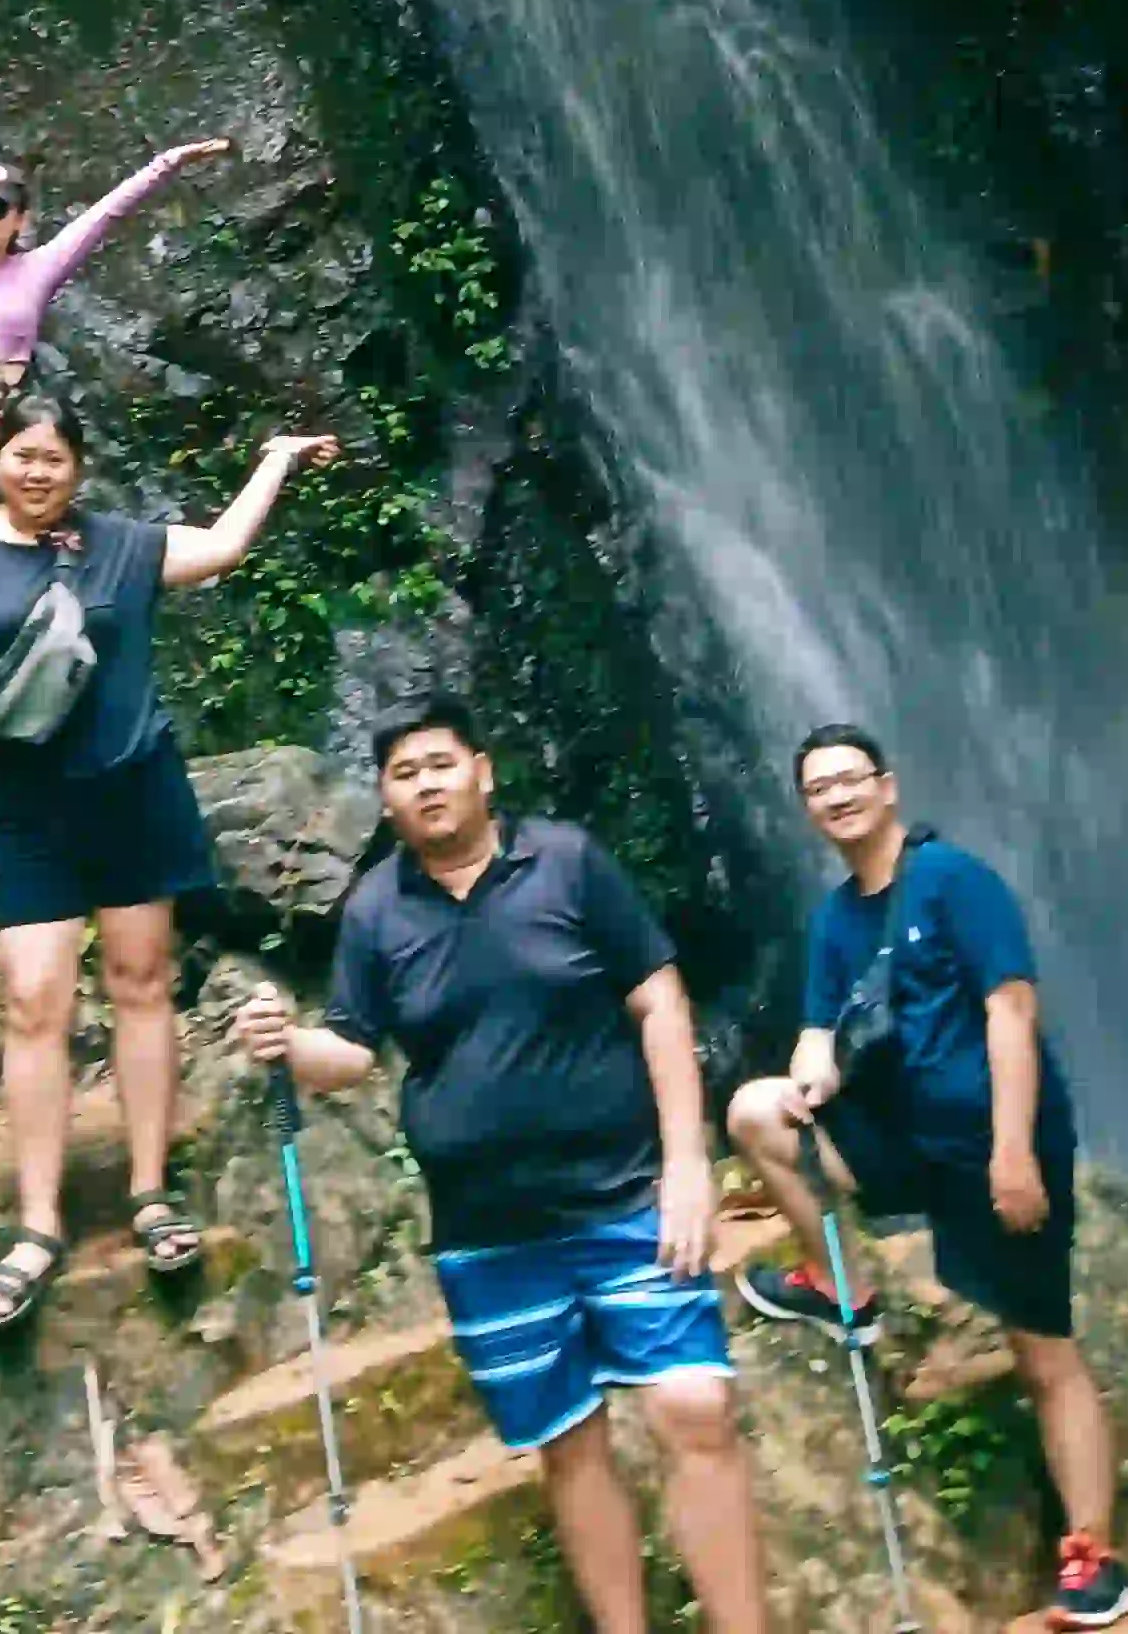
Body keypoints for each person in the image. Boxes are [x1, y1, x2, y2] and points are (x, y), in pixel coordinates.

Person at [232, 699, 767, 1634]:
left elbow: (661, 1002)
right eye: (404, 774)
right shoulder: (375, 910)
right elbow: (352, 1053)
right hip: (487, 1235)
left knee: (696, 1406)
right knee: (567, 1442)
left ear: (482, 771)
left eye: (440, 764)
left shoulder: (568, 862)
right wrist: (287, 1042)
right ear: (386, 799)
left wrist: (689, 1161)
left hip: (623, 1199)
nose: (426, 785)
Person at [0, 381, 338, 1328]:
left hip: (133, 789)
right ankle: (38, 1223)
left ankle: (150, 1193)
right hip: (29, 812)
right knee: (34, 1001)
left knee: (141, 985)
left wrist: (274, 461)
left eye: (54, 459)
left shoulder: (122, 545)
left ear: (79, 469)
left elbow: (223, 547)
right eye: (23, 456)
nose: (37, 472)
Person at [728, 726, 1128, 1630]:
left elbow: (1011, 1013)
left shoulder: (956, 880)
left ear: (887, 786)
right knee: (757, 1111)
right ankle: (843, 1287)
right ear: (807, 809)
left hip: (990, 1141)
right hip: (901, 1137)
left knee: (1043, 1352)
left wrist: (1013, 1152)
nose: (837, 797)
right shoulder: (835, 918)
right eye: (818, 788)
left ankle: (1094, 1556)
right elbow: (818, 1033)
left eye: (850, 779)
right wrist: (810, 1076)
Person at [0, 139, 233, 530]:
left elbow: (108, 212)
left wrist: (169, 162)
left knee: (26, 534)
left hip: (15, 434)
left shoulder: (38, 268)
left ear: (20, 220)